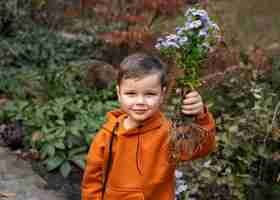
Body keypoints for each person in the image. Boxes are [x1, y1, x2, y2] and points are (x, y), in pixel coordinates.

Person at [81, 53, 216, 200]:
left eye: (150, 94)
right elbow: (92, 181)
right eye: (131, 93)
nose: (140, 101)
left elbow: (202, 148)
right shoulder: (107, 135)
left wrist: (201, 115)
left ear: (162, 94)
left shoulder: (168, 133)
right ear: (119, 93)